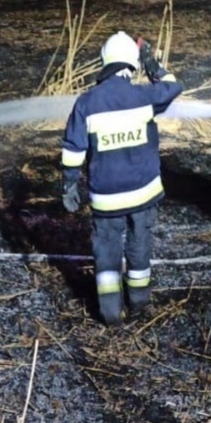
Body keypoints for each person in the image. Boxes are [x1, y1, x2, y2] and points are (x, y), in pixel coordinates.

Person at [60, 31, 183, 323]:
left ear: (105, 62)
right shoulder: (144, 97)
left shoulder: (86, 103)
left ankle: (111, 312)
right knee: (140, 246)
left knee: (107, 251)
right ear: (132, 64)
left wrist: (68, 185)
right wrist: (152, 64)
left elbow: (73, 150)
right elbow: (173, 86)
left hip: (107, 198)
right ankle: (140, 303)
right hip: (144, 193)